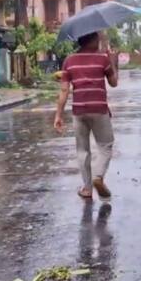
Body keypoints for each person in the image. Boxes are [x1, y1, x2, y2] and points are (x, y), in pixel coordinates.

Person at [54, 31, 119, 200]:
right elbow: (114, 83)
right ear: (91, 40)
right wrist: (113, 61)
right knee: (105, 145)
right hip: (99, 110)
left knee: (82, 150)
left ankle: (87, 189)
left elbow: (64, 90)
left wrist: (58, 115)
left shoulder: (69, 60)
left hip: (79, 111)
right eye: (97, 38)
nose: (99, 40)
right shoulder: (102, 59)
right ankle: (98, 176)